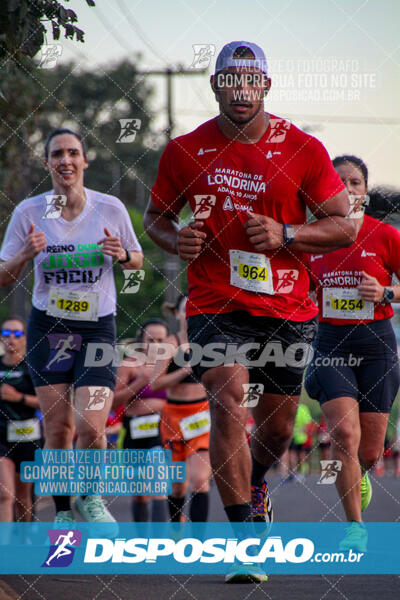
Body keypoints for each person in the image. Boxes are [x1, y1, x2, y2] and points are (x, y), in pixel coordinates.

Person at [144, 40, 356, 583]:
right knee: (226, 395)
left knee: (279, 429)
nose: (241, 90)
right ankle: (244, 543)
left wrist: (289, 233)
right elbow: (156, 218)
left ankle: (257, 481)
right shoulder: (184, 151)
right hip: (216, 300)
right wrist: (176, 240)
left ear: (266, 85)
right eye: (230, 80)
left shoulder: (303, 149)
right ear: (215, 85)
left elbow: (342, 224)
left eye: (251, 80)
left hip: (287, 304)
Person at [0, 128, 143, 526]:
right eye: (57, 154)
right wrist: (25, 254)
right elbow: (3, 276)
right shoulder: (28, 212)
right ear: (48, 163)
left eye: (72, 153)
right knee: (59, 428)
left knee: (91, 425)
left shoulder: (110, 208)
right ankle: (63, 511)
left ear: (84, 160)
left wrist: (124, 253)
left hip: (98, 328)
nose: (65, 160)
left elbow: (138, 260)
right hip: (49, 327)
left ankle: (91, 497)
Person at [305, 154, 400, 552]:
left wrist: (386, 293)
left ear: (364, 189)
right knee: (344, 433)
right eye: (338, 181)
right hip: (331, 344)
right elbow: (296, 288)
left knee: (370, 450)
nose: (347, 187)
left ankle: (358, 473)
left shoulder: (385, 236)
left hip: (376, 343)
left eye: (355, 182)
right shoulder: (308, 237)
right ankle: (355, 528)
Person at [151, 295, 212, 523]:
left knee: (199, 480)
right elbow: (155, 383)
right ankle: (177, 528)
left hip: (202, 416)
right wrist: (185, 370)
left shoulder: (210, 342)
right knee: (177, 487)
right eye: (186, 310)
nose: (191, 314)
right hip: (174, 417)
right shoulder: (170, 343)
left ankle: (197, 543)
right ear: (177, 314)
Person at [114, 318, 169, 522]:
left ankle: (160, 543)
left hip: (162, 430)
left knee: (158, 484)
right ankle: (142, 540)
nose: (155, 345)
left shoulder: (170, 365)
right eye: (151, 340)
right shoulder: (129, 365)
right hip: (134, 430)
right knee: (140, 491)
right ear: (141, 340)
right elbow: (113, 402)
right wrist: (141, 381)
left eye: (161, 340)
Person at [0, 317, 40, 522]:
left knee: (23, 497)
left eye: (17, 334)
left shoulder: (33, 367)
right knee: (5, 494)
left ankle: (24, 541)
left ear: (25, 338)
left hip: (28, 436)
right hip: (2, 436)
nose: (12, 338)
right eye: (7, 333)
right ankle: (4, 549)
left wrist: (19, 398)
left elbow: (48, 403)